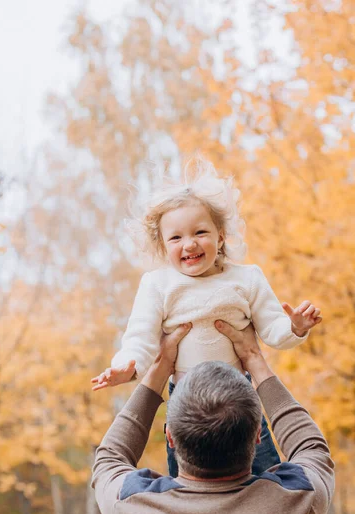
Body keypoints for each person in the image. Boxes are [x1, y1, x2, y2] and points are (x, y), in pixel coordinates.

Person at [91, 155, 322, 480]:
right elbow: (140, 340)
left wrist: (295, 327)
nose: (190, 244)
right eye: (176, 237)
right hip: (184, 405)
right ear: (162, 244)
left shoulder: (247, 278)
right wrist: (126, 366)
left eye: (200, 232)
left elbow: (273, 331)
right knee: (191, 484)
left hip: (239, 400)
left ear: (221, 236)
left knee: (265, 477)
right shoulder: (157, 285)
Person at [91, 320, 335, 514]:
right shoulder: (299, 499)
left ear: (170, 437)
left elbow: (110, 456)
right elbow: (312, 447)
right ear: (258, 435)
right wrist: (254, 360)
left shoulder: (131, 504)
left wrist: (159, 368)